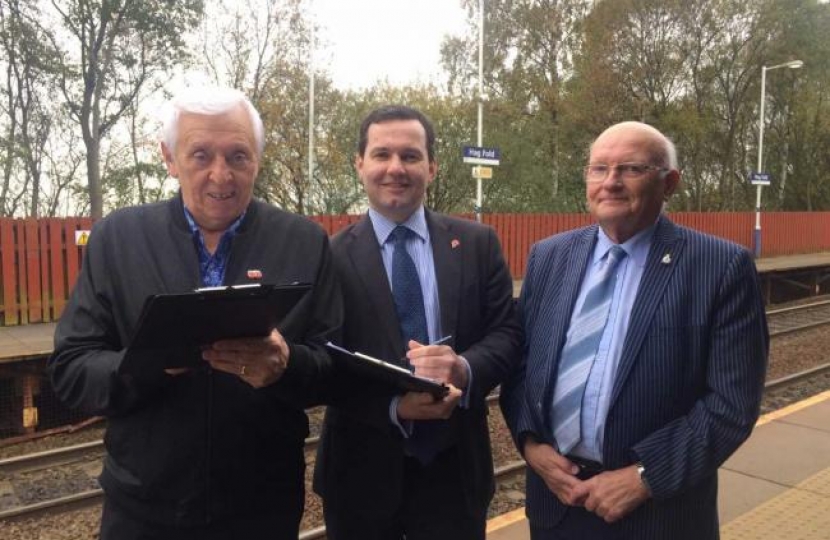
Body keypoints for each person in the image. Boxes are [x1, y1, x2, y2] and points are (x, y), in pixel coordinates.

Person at [48, 87, 342, 540]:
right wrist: (149, 363)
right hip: (142, 511)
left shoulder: (304, 242)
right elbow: (71, 370)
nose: (220, 175)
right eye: (200, 154)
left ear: (257, 161)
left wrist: (286, 366)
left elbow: (333, 366)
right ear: (170, 158)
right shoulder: (117, 240)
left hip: (261, 510)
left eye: (237, 156)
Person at [500, 121, 769, 540]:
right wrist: (531, 446)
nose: (610, 182)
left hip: (659, 514)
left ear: (670, 183)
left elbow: (731, 405)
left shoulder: (719, 268)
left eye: (631, 169)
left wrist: (644, 478)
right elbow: (518, 368)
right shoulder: (549, 257)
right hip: (557, 505)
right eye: (598, 169)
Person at [313, 105, 522, 540]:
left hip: (455, 473)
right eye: (381, 154)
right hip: (359, 477)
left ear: (432, 166)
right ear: (360, 164)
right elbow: (320, 361)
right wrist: (391, 407)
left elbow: (507, 333)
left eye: (410, 156)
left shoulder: (478, 244)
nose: (395, 168)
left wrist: (463, 367)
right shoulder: (328, 256)